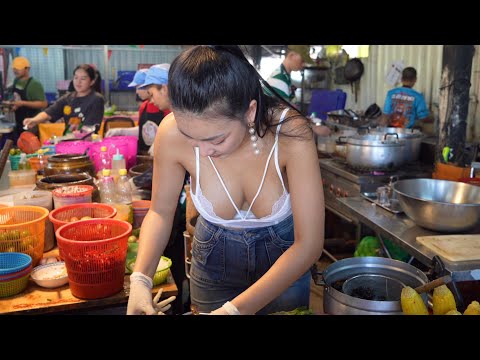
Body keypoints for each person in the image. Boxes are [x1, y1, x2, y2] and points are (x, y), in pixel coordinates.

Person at [127, 45, 324, 315]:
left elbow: (309, 243)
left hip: (285, 272)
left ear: (250, 112)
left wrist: (234, 311)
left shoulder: (291, 134)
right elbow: (160, 212)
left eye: (216, 139)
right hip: (212, 271)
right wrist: (140, 279)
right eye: (189, 135)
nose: (201, 150)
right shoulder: (171, 133)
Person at [106, 64, 171, 156]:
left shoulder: (168, 110)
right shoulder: (144, 107)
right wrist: (121, 131)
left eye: (139, 87)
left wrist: (160, 143)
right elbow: (143, 131)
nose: (136, 91)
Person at [23, 64, 105, 135]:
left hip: (87, 142)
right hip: (69, 141)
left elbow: (90, 127)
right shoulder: (67, 98)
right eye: (76, 78)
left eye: (83, 79)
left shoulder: (96, 99)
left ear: (92, 82)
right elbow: (50, 112)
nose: (78, 82)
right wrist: (34, 120)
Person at [7, 56, 48, 141]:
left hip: (32, 124)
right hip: (19, 121)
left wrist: (22, 103)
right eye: (14, 68)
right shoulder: (16, 81)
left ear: (27, 69)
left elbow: (43, 104)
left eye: (18, 68)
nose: (15, 70)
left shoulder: (34, 84)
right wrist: (13, 106)